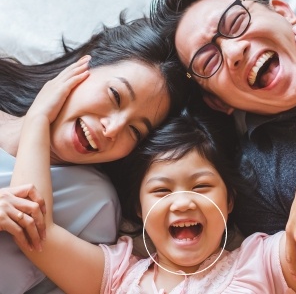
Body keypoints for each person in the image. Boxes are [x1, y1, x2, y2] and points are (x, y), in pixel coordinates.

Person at [6, 44, 296, 294]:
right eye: (161, 191)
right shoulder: (115, 277)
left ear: (230, 201)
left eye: (201, 187)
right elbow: (34, 226)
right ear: (138, 210)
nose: (182, 203)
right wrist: (38, 118)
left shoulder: (262, 262)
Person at [149, 0, 296, 288]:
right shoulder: (256, 180)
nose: (234, 52)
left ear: (283, 12)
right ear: (218, 102)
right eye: (208, 62)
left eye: (236, 23)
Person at [0, 15, 190, 294]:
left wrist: (38, 120)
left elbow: (34, 228)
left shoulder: (94, 204)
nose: (112, 129)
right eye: (115, 95)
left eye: (135, 131)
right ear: (85, 65)